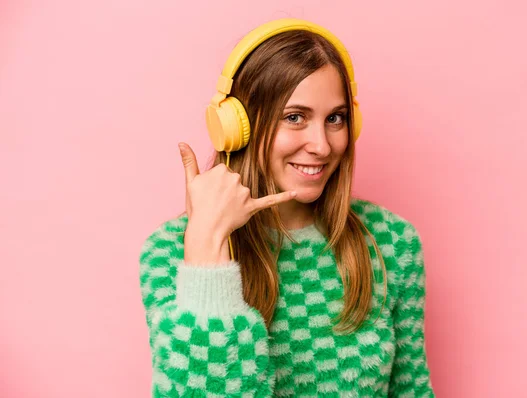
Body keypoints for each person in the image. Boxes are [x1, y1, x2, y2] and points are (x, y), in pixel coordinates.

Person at [139, 18, 436, 397]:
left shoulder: (392, 242)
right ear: (238, 126)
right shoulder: (170, 255)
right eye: (295, 117)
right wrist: (207, 248)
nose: (322, 145)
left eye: (335, 119)